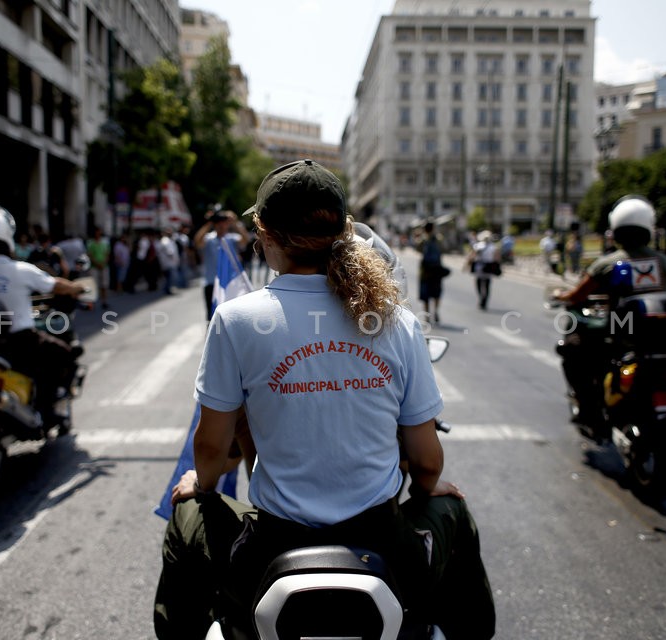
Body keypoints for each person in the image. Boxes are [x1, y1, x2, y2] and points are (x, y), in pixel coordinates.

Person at [153, 159, 495, 639]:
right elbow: (425, 459)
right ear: (344, 230)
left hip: (269, 551)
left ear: (266, 234)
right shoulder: (396, 321)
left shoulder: (235, 320)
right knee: (453, 512)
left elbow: (211, 449)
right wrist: (429, 488)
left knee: (187, 512)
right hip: (388, 546)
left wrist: (200, 485)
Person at [556, 195, 666, 440]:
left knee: (571, 352)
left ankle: (591, 413)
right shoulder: (664, 262)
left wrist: (562, 295)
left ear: (616, 232)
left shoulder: (610, 263)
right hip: (658, 334)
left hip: (621, 332)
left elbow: (578, 295)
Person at [0, 205, 85, 428]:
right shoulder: (21, 270)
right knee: (65, 354)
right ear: (6, 236)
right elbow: (55, 285)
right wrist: (77, 288)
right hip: (20, 340)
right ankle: (48, 409)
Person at [193, 209, 250, 321]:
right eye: (218, 222)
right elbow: (197, 242)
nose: (221, 225)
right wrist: (209, 223)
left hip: (229, 283)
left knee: (230, 314)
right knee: (212, 315)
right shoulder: (209, 238)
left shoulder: (232, 238)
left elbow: (245, 240)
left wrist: (234, 222)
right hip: (211, 282)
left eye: (224, 222)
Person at [415, 221, 446, 323]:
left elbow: (417, 249)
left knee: (425, 294)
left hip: (425, 271)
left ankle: (427, 315)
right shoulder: (438, 238)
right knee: (436, 293)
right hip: (436, 269)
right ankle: (436, 311)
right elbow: (444, 249)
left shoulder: (423, 239)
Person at [467, 230, 499, 310]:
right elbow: (496, 258)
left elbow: (472, 256)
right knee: (487, 285)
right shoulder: (493, 247)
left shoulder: (478, 246)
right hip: (489, 267)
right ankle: (484, 300)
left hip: (479, 267)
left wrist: (468, 263)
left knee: (479, 284)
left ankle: (481, 298)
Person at [86, 226, 110, 308]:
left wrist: (103, 263)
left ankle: (104, 301)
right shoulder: (90, 243)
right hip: (94, 266)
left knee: (104, 285)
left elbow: (107, 253)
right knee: (94, 285)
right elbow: (90, 255)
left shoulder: (104, 242)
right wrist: (97, 263)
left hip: (104, 266)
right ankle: (92, 302)